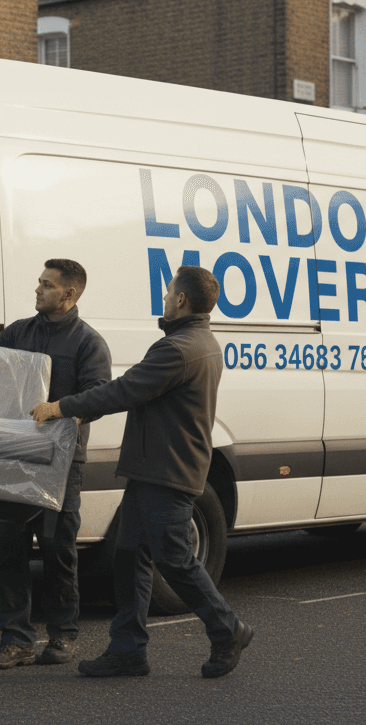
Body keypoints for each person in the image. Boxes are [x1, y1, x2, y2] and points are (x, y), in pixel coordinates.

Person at [31, 265, 252, 679]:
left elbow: (124, 390)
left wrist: (61, 407)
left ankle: (228, 629)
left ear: (182, 300)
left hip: (167, 471)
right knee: (129, 556)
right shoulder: (199, 341)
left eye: (169, 292)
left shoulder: (178, 349)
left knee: (175, 559)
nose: (165, 297)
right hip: (152, 467)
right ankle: (128, 649)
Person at [0, 259, 112, 670]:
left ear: (69, 294)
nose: (38, 289)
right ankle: (15, 640)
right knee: (8, 547)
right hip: (13, 456)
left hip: (60, 463)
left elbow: (99, 396)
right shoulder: (18, 332)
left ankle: (63, 636)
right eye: (39, 281)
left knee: (57, 549)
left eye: (47, 284)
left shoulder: (89, 343)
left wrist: (61, 411)